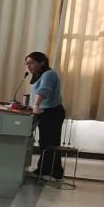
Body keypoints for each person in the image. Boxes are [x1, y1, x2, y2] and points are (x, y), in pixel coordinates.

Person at [26, 51, 65, 180]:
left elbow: (43, 91)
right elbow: (36, 94)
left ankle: (50, 172)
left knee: (50, 143)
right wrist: (31, 106)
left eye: (31, 63)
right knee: (45, 142)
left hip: (52, 113)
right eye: (27, 64)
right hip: (44, 112)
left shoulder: (49, 74)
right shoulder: (39, 75)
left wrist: (35, 105)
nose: (28, 66)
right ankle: (49, 171)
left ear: (42, 62)